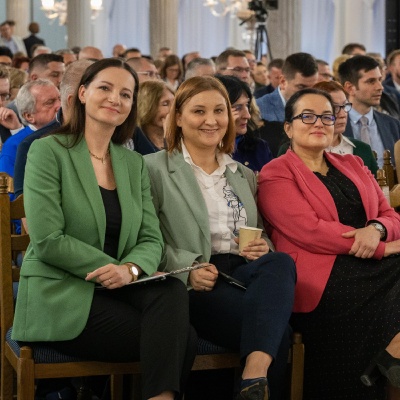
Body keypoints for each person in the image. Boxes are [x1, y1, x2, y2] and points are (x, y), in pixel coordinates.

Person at [12, 58, 197, 400]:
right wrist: (112, 269)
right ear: (82, 93)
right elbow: (49, 240)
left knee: (171, 291)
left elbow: (150, 237)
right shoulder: (47, 151)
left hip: (119, 286)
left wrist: (129, 269)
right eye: (105, 88)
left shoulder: (131, 163)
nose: (116, 99)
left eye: (126, 94)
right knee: (181, 338)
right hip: (61, 293)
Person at [145, 76, 296, 400]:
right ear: (179, 117)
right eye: (199, 111)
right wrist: (187, 268)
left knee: (280, 260)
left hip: (243, 267)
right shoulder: (153, 169)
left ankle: (252, 376)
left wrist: (262, 246)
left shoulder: (241, 173)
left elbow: (264, 232)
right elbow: (146, 239)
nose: (211, 120)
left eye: (219, 111)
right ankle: (253, 377)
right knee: (277, 330)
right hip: (199, 278)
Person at [258, 87, 400, 400]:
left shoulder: (353, 164)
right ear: (288, 127)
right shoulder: (276, 172)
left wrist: (376, 228)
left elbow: (390, 215)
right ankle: (388, 358)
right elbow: (309, 230)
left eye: (326, 116)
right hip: (319, 279)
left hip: (369, 269)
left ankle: (392, 353)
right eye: (306, 116)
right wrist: (380, 246)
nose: (319, 123)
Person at [277, 80, 378, 175]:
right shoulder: (291, 149)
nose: (343, 114)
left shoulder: (363, 149)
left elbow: (379, 189)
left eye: (344, 105)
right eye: (335, 107)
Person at [338, 55, 400, 167]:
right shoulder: (335, 125)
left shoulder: (392, 125)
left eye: (380, 80)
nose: (380, 87)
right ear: (350, 88)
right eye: (371, 81)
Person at [216, 74, 272, 173]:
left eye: (247, 105)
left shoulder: (259, 148)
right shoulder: (203, 152)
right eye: (237, 108)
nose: (247, 115)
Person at [256, 52, 318, 122]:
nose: (308, 94)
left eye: (313, 88)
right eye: (301, 87)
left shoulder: (321, 108)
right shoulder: (258, 109)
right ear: (283, 82)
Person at [137, 80, 174, 151]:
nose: (174, 109)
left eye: (175, 102)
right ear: (146, 107)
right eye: (165, 104)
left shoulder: (185, 138)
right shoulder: (134, 143)